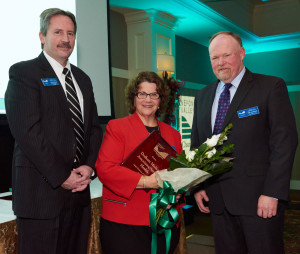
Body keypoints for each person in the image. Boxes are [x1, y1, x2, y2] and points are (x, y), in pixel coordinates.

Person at [5, 8, 102, 254]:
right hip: (41, 196)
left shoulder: (83, 79)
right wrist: (62, 175)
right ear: (41, 36)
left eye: (70, 33)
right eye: (58, 32)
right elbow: (28, 133)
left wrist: (89, 166)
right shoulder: (24, 73)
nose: (66, 39)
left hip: (79, 194)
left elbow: (92, 128)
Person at [191, 31, 298, 254]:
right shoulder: (202, 96)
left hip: (259, 201)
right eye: (214, 58)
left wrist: (273, 192)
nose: (220, 63)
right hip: (218, 201)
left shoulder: (270, 87)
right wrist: (198, 185)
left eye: (226, 55)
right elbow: (198, 145)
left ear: (241, 53)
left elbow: (284, 143)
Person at [95, 71, 183, 254]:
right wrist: (146, 181)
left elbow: (180, 176)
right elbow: (105, 169)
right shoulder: (117, 127)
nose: (148, 99)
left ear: (161, 100)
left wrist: (177, 193)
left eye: (154, 94)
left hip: (164, 221)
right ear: (133, 98)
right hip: (125, 224)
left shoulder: (173, 135)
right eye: (142, 94)